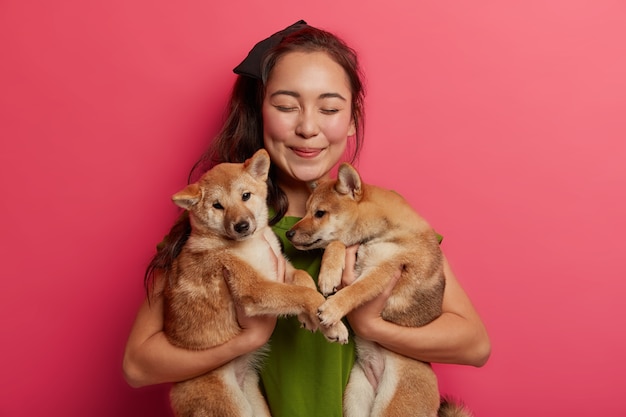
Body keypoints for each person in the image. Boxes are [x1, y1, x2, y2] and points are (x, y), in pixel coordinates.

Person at [123, 20, 491, 416]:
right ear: (260, 113)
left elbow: (473, 344)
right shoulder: (209, 232)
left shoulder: (377, 217)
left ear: (351, 119)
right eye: (285, 106)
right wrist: (246, 339)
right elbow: (138, 365)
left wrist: (371, 326)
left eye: (330, 108)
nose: (308, 127)